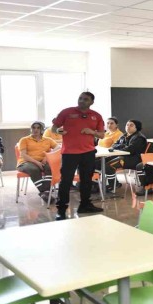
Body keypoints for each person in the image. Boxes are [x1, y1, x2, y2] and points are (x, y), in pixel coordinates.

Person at [50, 91, 106, 220]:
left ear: (92, 102)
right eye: (80, 98)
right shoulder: (67, 112)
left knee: (86, 181)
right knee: (66, 181)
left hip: (88, 153)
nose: (81, 101)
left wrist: (91, 132)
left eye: (85, 99)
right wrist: (58, 130)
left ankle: (85, 205)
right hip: (69, 153)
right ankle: (61, 209)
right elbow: (54, 127)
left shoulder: (96, 116)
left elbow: (102, 135)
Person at [17, 121, 59, 202]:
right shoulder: (24, 139)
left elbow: (58, 147)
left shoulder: (48, 140)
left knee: (50, 167)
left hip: (43, 161)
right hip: (26, 162)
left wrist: (47, 156)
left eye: (38, 128)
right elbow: (23, 155)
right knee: (34, 169)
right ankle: (44, 192)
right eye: (33, 127)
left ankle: (45, 193)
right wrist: (37, 163)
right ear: (31, 129)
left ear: (42, 129)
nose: (35, 130)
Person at [107, 119, 148, 191]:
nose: (128, 127)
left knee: (108, 165)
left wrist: (121, 147)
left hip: (134, 159)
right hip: (123, 157)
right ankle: (112, 184)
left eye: (131, 125)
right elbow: (114, 145)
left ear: (137, 127)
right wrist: (122, 146)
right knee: (102, 161)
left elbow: (130, 150)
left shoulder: (139, 137)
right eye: (127, 125)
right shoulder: (124, 135)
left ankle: (113, 185)